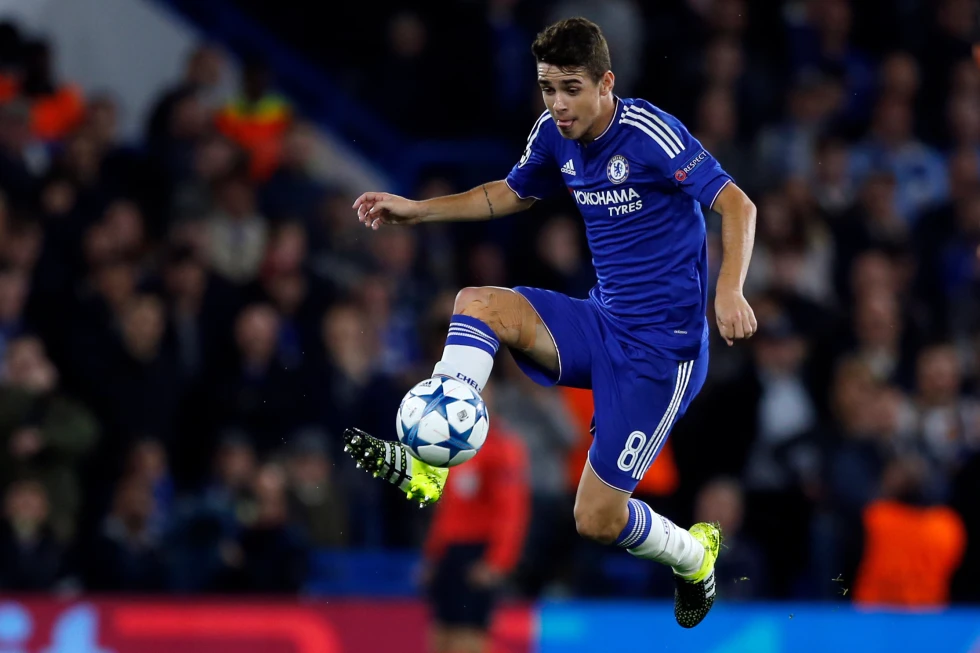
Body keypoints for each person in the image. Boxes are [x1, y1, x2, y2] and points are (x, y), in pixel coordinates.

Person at [345, 17, 757, 628]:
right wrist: (418, 211)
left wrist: (730, 291)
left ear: (606, 84)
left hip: (662, 356)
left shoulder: (649, 133)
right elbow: (509, 193)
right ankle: (430, 466)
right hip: (602, 321)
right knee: (477, 303)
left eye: (570, 88)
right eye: (547, 88)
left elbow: (737, 204)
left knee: (595, 519)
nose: (558, 104)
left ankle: (695, 557)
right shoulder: (552, 134)